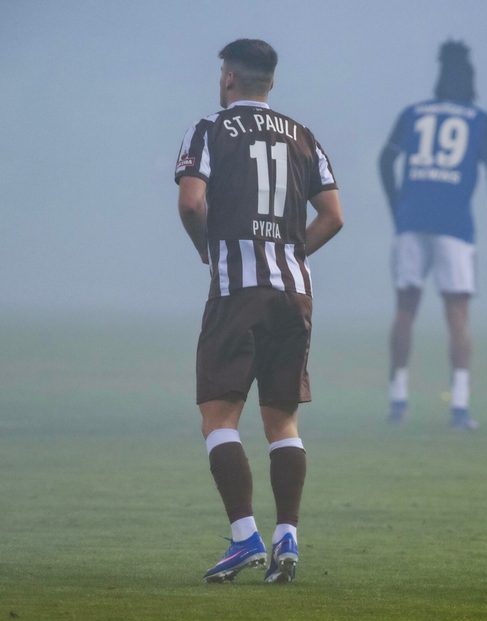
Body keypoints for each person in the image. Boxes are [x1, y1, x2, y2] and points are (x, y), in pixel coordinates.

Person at [174, 38, 344, 582]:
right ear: (270, 83)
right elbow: (334, 216)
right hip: (293, 294)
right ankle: (287, 537)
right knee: (282, 418)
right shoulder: (303, 136)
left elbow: (191, 200)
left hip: (237, 292)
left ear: (228, 78)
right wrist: (289, 254)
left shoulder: (208, 129)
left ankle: (245, 538)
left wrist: (207, 247)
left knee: (218, 416)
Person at [378, 40, 487, 430]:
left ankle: (398, 399)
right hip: (455, 225)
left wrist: (397, 207)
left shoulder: (413, 113)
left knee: (405, 308)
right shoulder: (480, 120)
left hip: (412, 220)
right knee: (457, 315)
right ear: (470, 79)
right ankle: (460, 407)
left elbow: (385, 160)